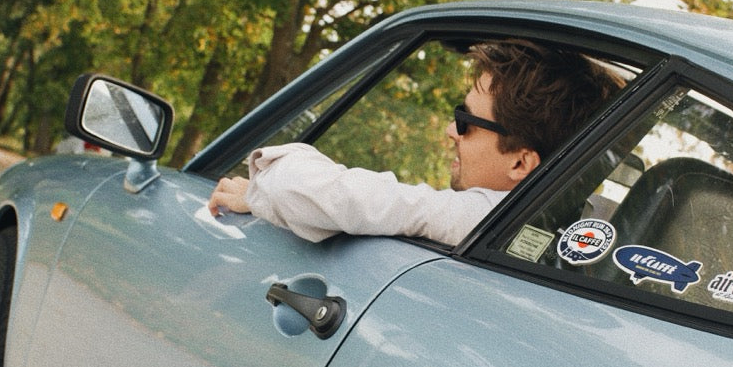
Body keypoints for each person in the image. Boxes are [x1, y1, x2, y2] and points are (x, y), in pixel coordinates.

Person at [207, 39, 621, 247]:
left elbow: (342, 198)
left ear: (520, 164)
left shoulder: (485, 216)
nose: (450, 131)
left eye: (466, 121)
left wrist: (259, 187)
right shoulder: (574, 225)